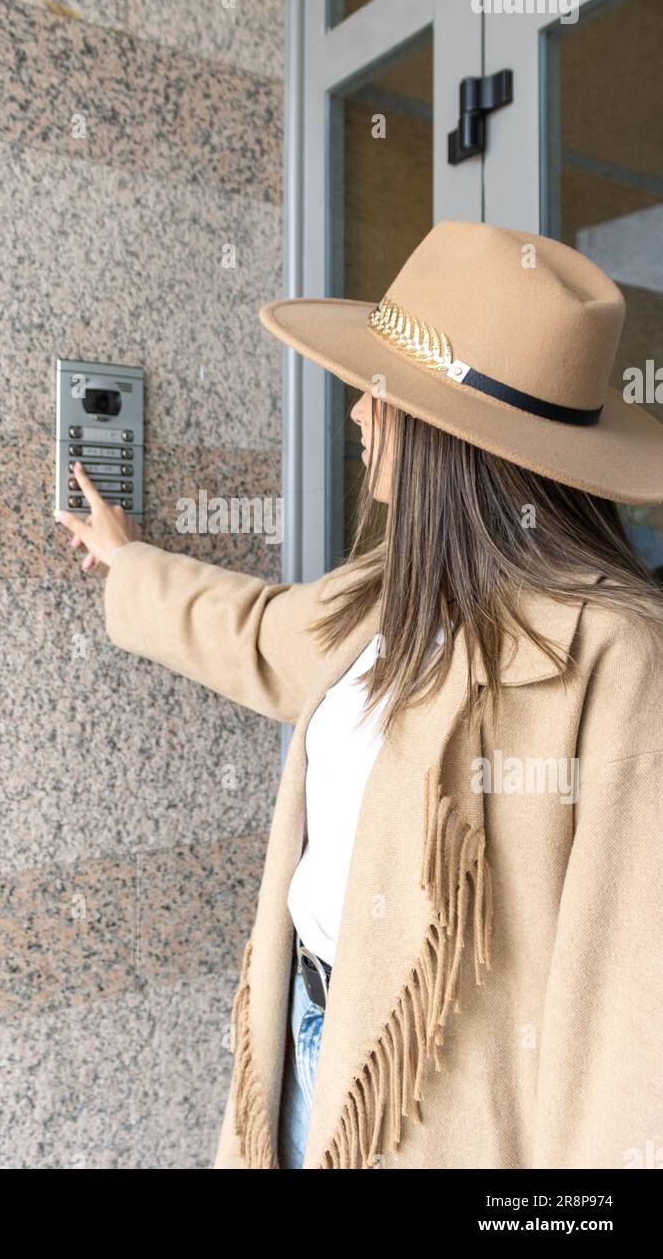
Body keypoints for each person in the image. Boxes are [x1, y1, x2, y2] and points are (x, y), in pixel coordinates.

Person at [55, 220, 663, 1170]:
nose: (355, 416)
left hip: (441, 1110)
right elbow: (257, 631)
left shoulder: (617, 656)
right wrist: (129, 561)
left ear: (445, 436)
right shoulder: (396, 592)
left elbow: (626, 1020)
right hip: (302, 1053)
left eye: (377, 395)